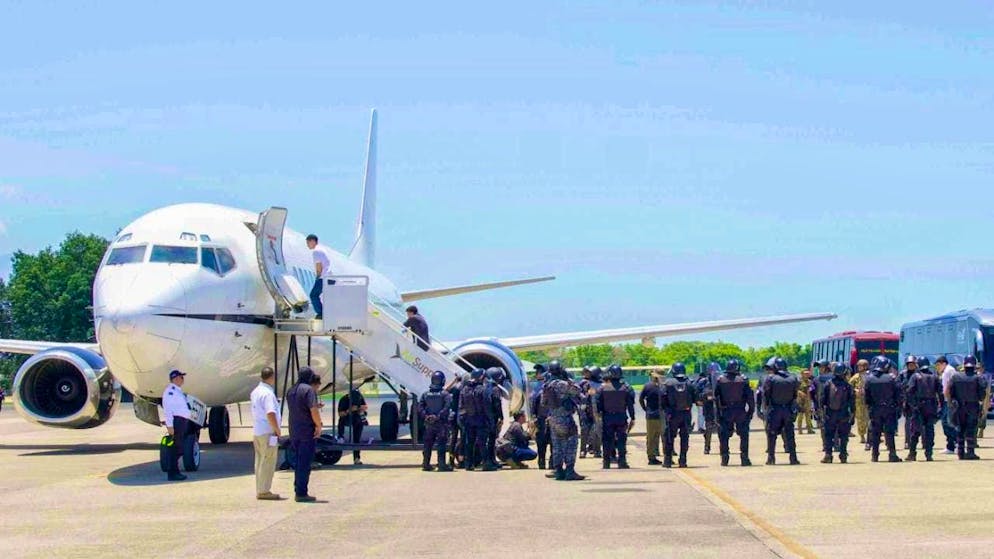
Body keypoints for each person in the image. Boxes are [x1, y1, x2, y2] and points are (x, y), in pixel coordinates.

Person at [541, 360, 585, 481]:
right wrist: (569, 380)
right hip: (565, 418)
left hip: (553, 419)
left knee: (557, 446)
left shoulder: (546, 385)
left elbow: (543, 403)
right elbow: (577, 391)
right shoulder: (562, 384)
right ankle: (570, 470)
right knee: (572, 443)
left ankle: (559, 471)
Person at [286, 367, 322, 502]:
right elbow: (313, 410)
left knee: (298, 462)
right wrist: (319, 425)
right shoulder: (308, 390)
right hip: (307, 431)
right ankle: (301, 492)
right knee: (305, 463)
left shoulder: (291, 390)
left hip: (294, 431)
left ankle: (298, 488)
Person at [250, 367, 282, 500]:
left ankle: (260, 488)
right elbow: (270, 413)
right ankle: (264, 491)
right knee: (268, 461)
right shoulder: (267, 394)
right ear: (272, 377)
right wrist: (277, 429)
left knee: (259, 461)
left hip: (257, 431)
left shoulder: (255, 391)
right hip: (268, 431)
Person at [714, 359, 754, 467]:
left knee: (724, 436)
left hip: (726, 410)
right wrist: (750, 412)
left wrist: (718, 413)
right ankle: (744, 458)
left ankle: (724, 458)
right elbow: (750, 397)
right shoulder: (744, 380)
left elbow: (716, 397)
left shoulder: (721, 380)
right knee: (744, 435)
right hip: (740, 410)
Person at [595, 364, 636, 469]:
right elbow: (630, 405)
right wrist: (633, 417)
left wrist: (599, 415)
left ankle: (606, 462)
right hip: (621, 417)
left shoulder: (602, 388)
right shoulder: (626, 388)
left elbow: (598, 404)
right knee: (622, 440)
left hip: (607, 417)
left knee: (607, 440)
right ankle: (622, 462)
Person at [946, 355, 987, 460]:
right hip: (973, 406)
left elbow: (949, 391)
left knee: (960, 429)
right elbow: (982, 394)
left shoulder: (955, 377)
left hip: (959, 407)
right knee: (971, 430)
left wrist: (951, 403)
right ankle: (970, 451)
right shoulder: (978, 378)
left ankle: (960, 452)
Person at [762, 357, 801, 465]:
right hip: (788, 409)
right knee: (790, 434)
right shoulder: (793, 378)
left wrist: (766, 408)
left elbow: (766, 395)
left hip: (775, 409)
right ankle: (793, 458)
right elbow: (795, 394)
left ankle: (771, 458)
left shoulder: (770, 378)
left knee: (771, 435)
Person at [864, 355, 903, 463]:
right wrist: (897, 407)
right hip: (889, 409)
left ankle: (875, 455)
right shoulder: (891, 378)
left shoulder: (869, 379)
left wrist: (870, 407)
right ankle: (892, 454)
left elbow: (866, 398)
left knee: (875, 432)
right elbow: (898, 395)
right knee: (889, 432)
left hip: (875, 409)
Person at [661, 362, 697, 468]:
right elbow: (696, 398)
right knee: (685, 437)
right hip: (686, 413)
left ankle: (667, 460)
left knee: (669, 437)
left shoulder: (667, 383)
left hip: (672, 414)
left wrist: (666, 409)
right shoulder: (690, 383)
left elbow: (662, 399)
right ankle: (683, 460)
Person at [905, 356, 942, 461]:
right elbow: (940, 393)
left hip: (918, 406)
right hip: (931, 406)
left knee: (915, 431)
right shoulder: (934, 376)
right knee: (929, 430)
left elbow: (909, 392)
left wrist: (912, 405)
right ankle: (929, 454)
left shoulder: (915, 376)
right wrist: (939, 408)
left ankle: (912, 453)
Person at [819, 363, 855, 464]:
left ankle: (828, 455)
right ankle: (843, 455)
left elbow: (822, 400)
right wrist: (852, 414)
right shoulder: (848, 385)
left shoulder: (827, 383)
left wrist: (822, 413)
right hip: (843, 414)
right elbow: (852, 402)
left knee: (829, 435)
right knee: (844, 435)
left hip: (830, 414)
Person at [459, 368, 494, 471]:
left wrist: (463, 419)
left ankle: (469, 464)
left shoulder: (464, 390)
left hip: (469, 420)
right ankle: (486, 464)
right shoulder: (483, 390)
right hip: (481, 420)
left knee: (469, 442)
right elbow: (487, 407)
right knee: (482, 442)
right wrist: (491, 421)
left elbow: (461, 407)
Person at [418, 371, 453, 472]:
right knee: (441, 444)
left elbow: (420, 407)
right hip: (441, 423)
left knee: (427, 444)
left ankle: (426, 463)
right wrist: (437, 416)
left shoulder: (425, 394)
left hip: (429, 423)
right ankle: (442, 464)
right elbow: (447, 408)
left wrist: (426, 416)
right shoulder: (445, 394)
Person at [161, 370, 192, 481]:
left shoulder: (177, 391)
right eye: (180, 377)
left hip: (181, 421)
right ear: (175, 379)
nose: (182, 379)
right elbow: (168, 410)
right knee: (175, 448)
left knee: (179, 447)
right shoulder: (170, 392)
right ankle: (173, 472)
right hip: (176, 422)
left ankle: (175, 471)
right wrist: (170, 426)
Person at [337, 384, 368, 465]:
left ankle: (356, 458)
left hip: (357, 417)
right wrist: (349, 410)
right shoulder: (344, 399)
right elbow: (340, 414)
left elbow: (365, 406)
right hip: (346, 417)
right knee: (341, 420)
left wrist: (361, 408)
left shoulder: (359, 397)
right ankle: (341, 436)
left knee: (357, 439)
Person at [528, 364, 552, 469]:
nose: (537, 374)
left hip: (549, 419)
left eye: (539, 372)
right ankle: (542, 462)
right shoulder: (536, 386)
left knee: (552, 443)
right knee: (542, 443)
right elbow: (533, 405)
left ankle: (551, 463)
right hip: (541, 419)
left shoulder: (544, 388)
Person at [640, 372, 665, 465]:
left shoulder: (647, 386)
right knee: (664, 437)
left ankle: (651, 457)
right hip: (662, 414)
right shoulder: (663, 386)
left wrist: (645, 409)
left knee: (651, 437)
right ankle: (667, 456)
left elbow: (641, 399)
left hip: (651, 415)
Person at [484, 367, 506, 469]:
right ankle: (491, 460)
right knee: (492, 440)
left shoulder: (483, 388)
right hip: (492, 418)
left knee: (487, 440)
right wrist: (501, 417)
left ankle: (489, 460)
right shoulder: (495, 389)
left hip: (484, 418)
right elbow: (497, 405)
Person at [936, 355, 959, 454]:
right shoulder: (951, 370)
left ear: (943, 363)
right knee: (949, 422)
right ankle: (951, 445)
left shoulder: (947, 372)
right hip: (951, 400)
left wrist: (947, 401)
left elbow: (946, 389)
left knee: (947, 422)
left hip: (948, 400)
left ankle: (956, 443)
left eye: (938, 365)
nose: (938, 367)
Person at [695, 364, 719, 454]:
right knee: (709, 428)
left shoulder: (720, 380)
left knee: (723, 429)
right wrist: (704, 397)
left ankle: (724, 447)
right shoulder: (703, 381)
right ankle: (707, 447)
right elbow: (697, 392)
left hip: (719, 407)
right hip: (708, 407)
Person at [897, 355, 919, 449]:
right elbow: (898, 386)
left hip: (917, 400)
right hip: (906, 400)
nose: (911, 366)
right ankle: (908, 441)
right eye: (909, 364)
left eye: (912, 364)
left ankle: (924, 442)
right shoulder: (903, 374)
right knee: (908, 422)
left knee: (920, 422)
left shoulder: (919, 374)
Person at [849, 359, 870, 448]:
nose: (859, 367)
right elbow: (848, 386)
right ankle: (862, 435)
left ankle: (871, 435)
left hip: (869, 400)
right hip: (859, 401)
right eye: (858, 366)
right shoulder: (856, 377)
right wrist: (855, 390)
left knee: (869, 418)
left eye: (861, 366)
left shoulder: (870, 376)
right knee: (860, 418)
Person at [446, 372, 465, 469]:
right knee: (463, 439)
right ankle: (461, 460)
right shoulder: (464, 389)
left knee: (453, 439)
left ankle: (451, 460)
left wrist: (453, 381)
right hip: (462, 417)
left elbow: (445, 389)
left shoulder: (454, 389)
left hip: (453, 417)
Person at [796, 369, 815, 434]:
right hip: (801, 401)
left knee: (808, 416)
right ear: (802, 374)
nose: (807, 375)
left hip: (808, 400)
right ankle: (800, 430)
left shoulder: (810, 382)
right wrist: (801, 393)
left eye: (808, 374)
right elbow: (796, 390)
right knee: (800, 416)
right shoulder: (799, 381)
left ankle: (809, 429)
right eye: (805, 373)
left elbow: (812, 389)